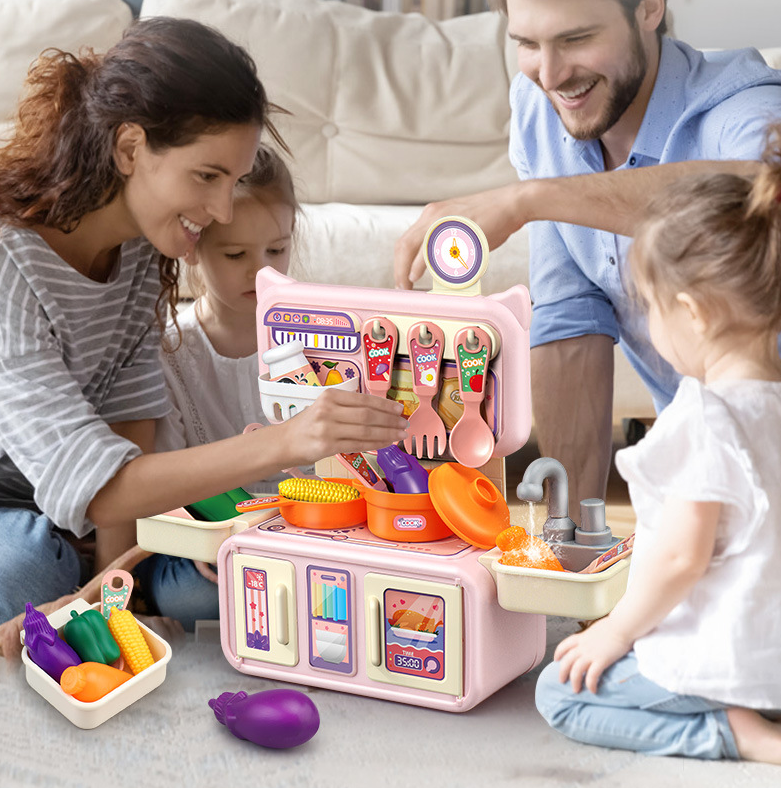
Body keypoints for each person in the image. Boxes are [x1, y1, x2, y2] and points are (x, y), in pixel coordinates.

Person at [0, 18, 408, 631]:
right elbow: (104, 492)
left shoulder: (139, 251)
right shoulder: (11, 260)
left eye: (233, 181)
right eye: (206, 176)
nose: (219, 211)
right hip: (25, 508)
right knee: (32, 569)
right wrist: (288, 440)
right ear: (130, 148)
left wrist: (115, 595)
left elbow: (129, 423)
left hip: (60, 505)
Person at [393, 0, 781, 517]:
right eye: (527, 44)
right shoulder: (539, 108)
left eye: (576, 39)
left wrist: (528, 200)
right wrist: (569, 535)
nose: (550, 76)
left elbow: (765, 191)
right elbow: (569, 313)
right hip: (704, 460)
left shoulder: (743, 106)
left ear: (649, 8)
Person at [535, 124, 781, 763]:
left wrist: (616, 632)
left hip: (726, 663)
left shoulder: (706, 417)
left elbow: (680, 558)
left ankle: (737, 734)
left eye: (649, 306)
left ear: (693, 314)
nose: (646, 323)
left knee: (560, 691)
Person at [142, 146, 304, 626]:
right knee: (190, 593)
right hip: (209, 541)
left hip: (306, 528)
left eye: (277, 249)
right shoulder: (169, 351)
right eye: (235, 254)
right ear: (192, 247)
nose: (262, 270)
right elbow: (159, 484)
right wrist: (197, 536)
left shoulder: (318, 337)